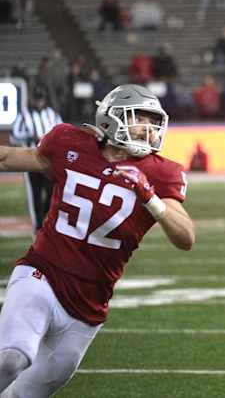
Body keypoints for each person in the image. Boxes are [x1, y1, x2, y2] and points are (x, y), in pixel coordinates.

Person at [0, 84, 195, 396]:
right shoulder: (67, 142)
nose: (149, 130)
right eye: (140, 119)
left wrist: (150, 197)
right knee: (11, 359)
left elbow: (186, 238)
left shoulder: (161, 174)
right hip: (42, 274)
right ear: (112, 118)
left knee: (24, 394)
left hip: (89, 306)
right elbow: (10, 158)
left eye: (153, 122)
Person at [10, 90, 63, 232]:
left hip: (48, 159)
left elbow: (62, 130)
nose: (39, 103)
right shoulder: (24, 115)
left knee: (52, 188)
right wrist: (29, 136)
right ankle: (37, 226)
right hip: (30, 157)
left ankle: (46, 216)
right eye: (36, 100)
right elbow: (14, 136)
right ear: (32, 100)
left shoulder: (52, 114)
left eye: (41, 100)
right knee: (35, 192)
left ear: (44, 100)